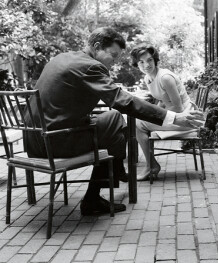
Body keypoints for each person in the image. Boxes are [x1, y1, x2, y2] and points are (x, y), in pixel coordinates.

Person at [24, 27, 203, 216]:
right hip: (54, 142)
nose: (115, 62)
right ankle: (96, 194)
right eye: (113, 55)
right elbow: (121, 100)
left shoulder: (62, 58)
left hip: (33, 139)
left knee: (113, 118)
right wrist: (174, 117)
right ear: (97, 46)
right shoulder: (90, 66)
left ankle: (117, 169)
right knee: (114, 123)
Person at [130, 44, 198, 181]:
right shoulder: (148, 78)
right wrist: (151, 113)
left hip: (186, 118)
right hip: (175, 116)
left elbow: (178, 108)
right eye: (141, 62)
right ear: (137, 64)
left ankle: (151, 166)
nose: (146, 65)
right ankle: (151, 164)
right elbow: (162, 101)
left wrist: (153, 115)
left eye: (149, 60)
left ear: (155, 60)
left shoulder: (165, 78)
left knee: (137, 124)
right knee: (137, 121)